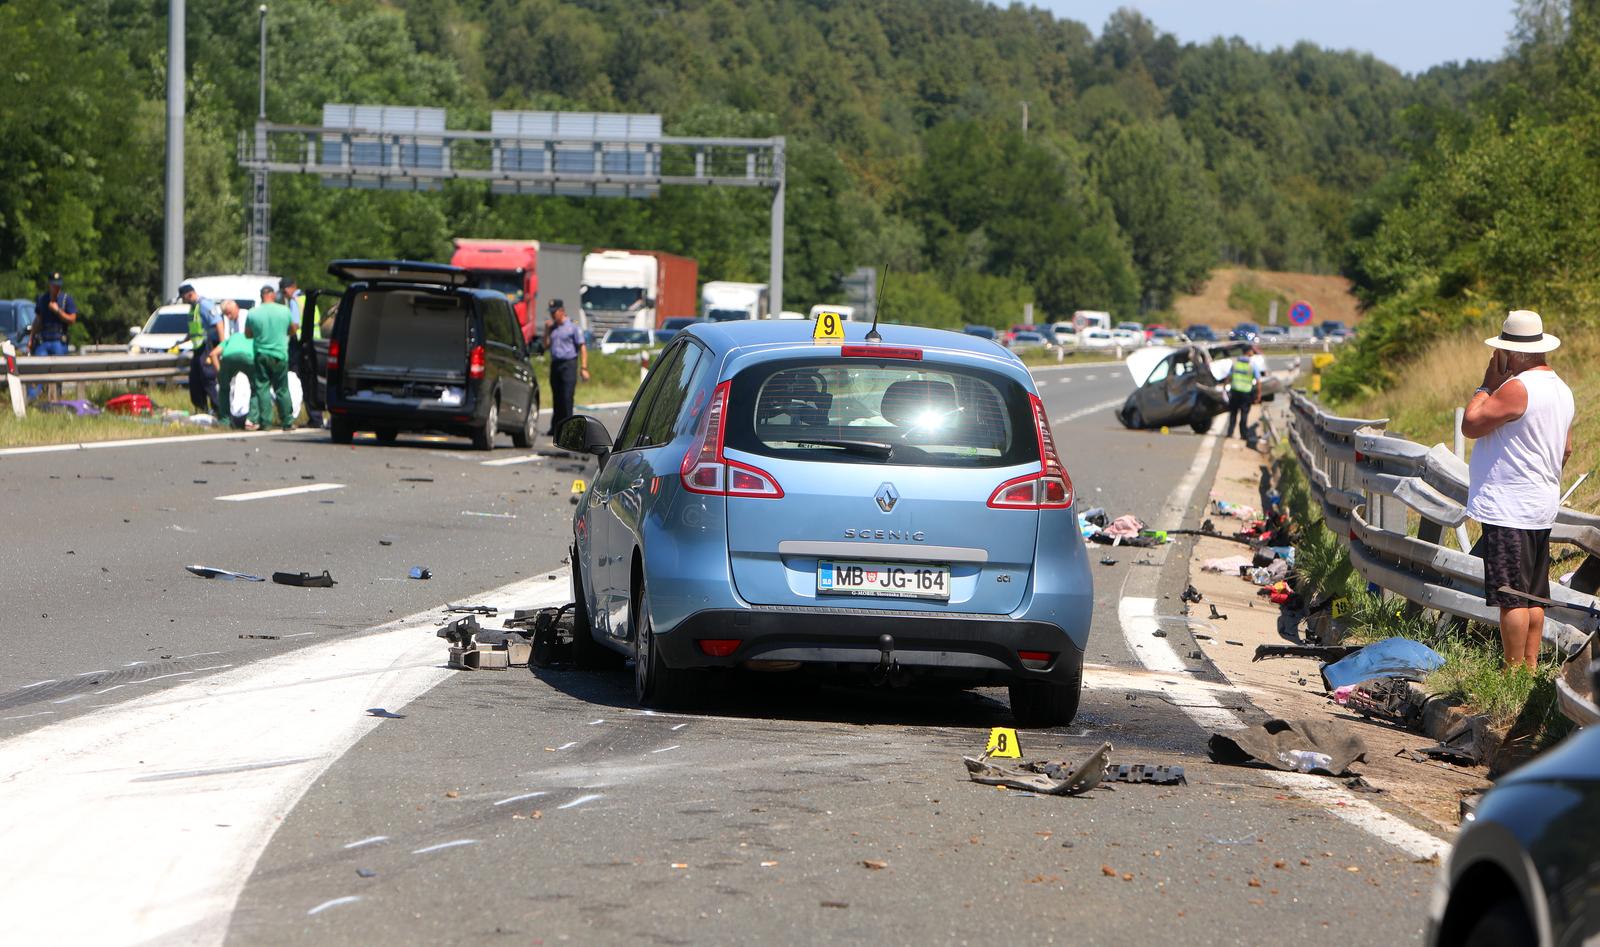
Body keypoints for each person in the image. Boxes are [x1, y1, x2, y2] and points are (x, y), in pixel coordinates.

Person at [1462, 310, 1575, 669]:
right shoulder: (1561, 388)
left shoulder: (1516, 387)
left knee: (1511, 596)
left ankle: (1513, 672)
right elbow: (1566, 449)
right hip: (1540, 505)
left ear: (1514, 353)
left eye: (1501, 352)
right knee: (1533, 595)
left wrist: (1485, 384)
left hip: (1510, 505)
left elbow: (1471, 424)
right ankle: (1527, 668)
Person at [246, 284, 295, 431]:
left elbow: (248, 334)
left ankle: (266, 422)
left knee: (262, 388)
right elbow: (292, 329)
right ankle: (287, 421)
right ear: (272, 295)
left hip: (261, 354)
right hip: (280, 354)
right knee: (282, 389)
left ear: (261, 296)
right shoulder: (284, 311)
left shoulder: (253, 313)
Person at [279, 277, 325, 429]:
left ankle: (314, 417)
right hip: (315, 343)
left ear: (292, 287)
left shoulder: (294, 301)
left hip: (302, 344)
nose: (284, 294)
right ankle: (317, 416)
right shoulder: (308, 298)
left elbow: (295, 324)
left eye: (284, 290)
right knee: (313, 380)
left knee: (305, 381)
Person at [542, 299, 588, 436]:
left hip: (569, 364)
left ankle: (568, 429)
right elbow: (545, 345)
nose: (552, 315)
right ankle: (555, 427)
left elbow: (582, 347)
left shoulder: (573, 327)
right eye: (551, 312)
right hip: (555, 364)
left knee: (567, 397)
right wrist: (546, 330)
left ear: (562, 311)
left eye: (554, 312)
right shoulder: (552, 328)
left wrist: (584, 367)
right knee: (556, 397)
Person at [180, 282, 226, 415]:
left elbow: (218, 323)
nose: (183, 300)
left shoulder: (205, 305)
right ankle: (202, 409)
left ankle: (219, 410)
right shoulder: (193, 307)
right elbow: (195, 328)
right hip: (198, 348)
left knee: (208, 378)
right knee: (195, 380)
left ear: (190, 294)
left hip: (208, 346)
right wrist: (183, 340)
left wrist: (222, 345)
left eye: (183, 297)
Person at [209, 301, 256, 429]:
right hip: (248, 355)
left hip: (228, 355)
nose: (228, 317)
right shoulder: (244, 336)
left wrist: (220, 373)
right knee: (256, 387)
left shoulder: (245, 318)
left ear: (236, 308)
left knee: (224, 388)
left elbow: (213, 354)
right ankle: (252, 419)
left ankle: (224, 420)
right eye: (226, 315)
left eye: (229, 313)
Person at [28, 272, 78, 356]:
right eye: (54, 285)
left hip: (59, 342)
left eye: (58, 285)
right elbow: (37, 320)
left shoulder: (66, 299)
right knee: (39, 365)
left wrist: (58, 311)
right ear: (49, 284)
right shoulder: (42, 299)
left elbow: (72, 319)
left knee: (58, 367)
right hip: (43, 342)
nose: (56, 288)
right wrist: (31, 339)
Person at [1224, 341, 1264, 439]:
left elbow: (1229, 377)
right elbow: (1258, 381)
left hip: (1235, 391)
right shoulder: (1252, 365)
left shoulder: (1236, 362)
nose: (1253, 353)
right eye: (1252, 351)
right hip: (1246, 393)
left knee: (1233, 413)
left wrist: (1224, 388)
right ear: (1248, 351)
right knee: (1244, 414)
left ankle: (1230, 433)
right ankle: (1243, 434)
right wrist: (1259, 394)